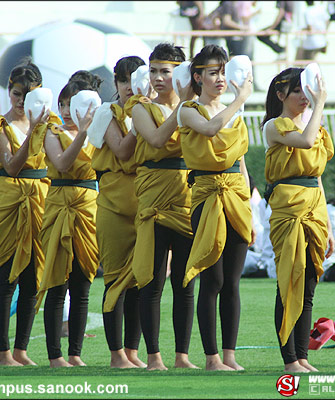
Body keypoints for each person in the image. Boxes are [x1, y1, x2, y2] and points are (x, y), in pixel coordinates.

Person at [179, 44, 254, 371]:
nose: (220, 78)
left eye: (223, 72)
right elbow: (210, 130)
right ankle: (211, 358)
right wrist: (240, 100)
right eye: (213, 72)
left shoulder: (230, 109)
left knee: (233, 282)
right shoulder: (188, 109)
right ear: (198, 77)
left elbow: (240, 159)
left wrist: (249, 206)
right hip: (208, 194)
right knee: (213, 279)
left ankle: (229, 356)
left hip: (236, 195)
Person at [0, 58, 56, 366]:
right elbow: (11, 165)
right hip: (10, 201)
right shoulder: (0, 126)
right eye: (16, 93)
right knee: (6, 276)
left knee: (33, 279)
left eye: (28, 94)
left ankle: (21, 350)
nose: (22, 101)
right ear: (8, 92)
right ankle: (2, 352)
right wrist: (33, 133)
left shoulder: (50, 125)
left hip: (40, 200)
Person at [128, 42, 198, 370]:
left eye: (165, 72)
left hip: (187, 199)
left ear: (180, 73)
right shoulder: (141, 108)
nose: (157, 78)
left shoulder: (194, 109)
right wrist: (183, 108)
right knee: (152, 281)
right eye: (153, 71)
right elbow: (156, 140)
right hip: (154, 199)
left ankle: (182, 356)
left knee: (185, 282)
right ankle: (154, 355)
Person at [262, 67, 334, 373]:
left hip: (314, 208)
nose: (305, 98)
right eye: (297, 92)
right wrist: (320, 104)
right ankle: (289, 359)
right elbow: (304, 143)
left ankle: (302, 356)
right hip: (288, 210)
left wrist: (327, 225)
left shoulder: (312, 125)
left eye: (307, 91)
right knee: (289, 282)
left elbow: (317, 176)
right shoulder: (273, 126)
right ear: (281, 96)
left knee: (308, 285)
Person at [33, 76, 100, 368]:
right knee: (58, 282)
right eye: (69, 105)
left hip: (88, 207)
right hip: (60, 204)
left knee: (82, 285)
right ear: (61, 105)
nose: (76, 112)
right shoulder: (53, 130)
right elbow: (61, 164)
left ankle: (75, 353)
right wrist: (83, 134)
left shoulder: (97, 134)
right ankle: (54, 355)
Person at [90, 56, 147, 369]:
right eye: (123, 80)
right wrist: (143, 119)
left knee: (140, 280)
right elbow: (123, 150)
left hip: (145, 202)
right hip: (113, 205)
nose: (128, 87)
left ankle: (133, 352)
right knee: (115, 280)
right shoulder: (105, 111)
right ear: (116, 83)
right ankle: (116, 356)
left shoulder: (150, 110)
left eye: (134, 79)